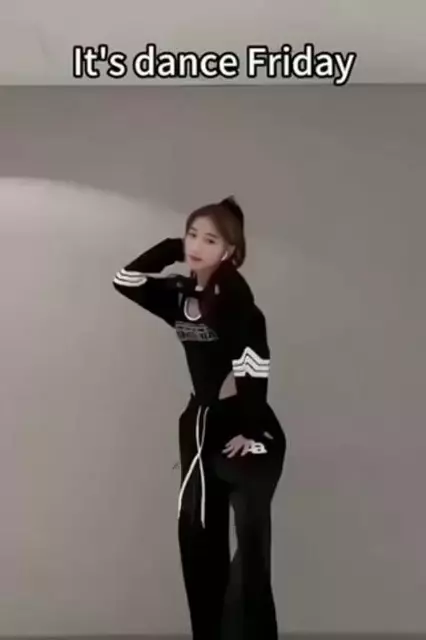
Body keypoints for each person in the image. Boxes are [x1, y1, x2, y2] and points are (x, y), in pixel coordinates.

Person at [112, 196, 286, 640]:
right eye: (192, 235)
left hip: (247, 427)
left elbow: (254, 362)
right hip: (198, 425)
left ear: (230, 251)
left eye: (210, 240)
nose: (196, 245)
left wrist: (250, 428)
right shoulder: (178, 296)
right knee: (196, 536)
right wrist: (172, 248)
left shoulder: (236, 299)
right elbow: (125, 280)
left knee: (250, 548)